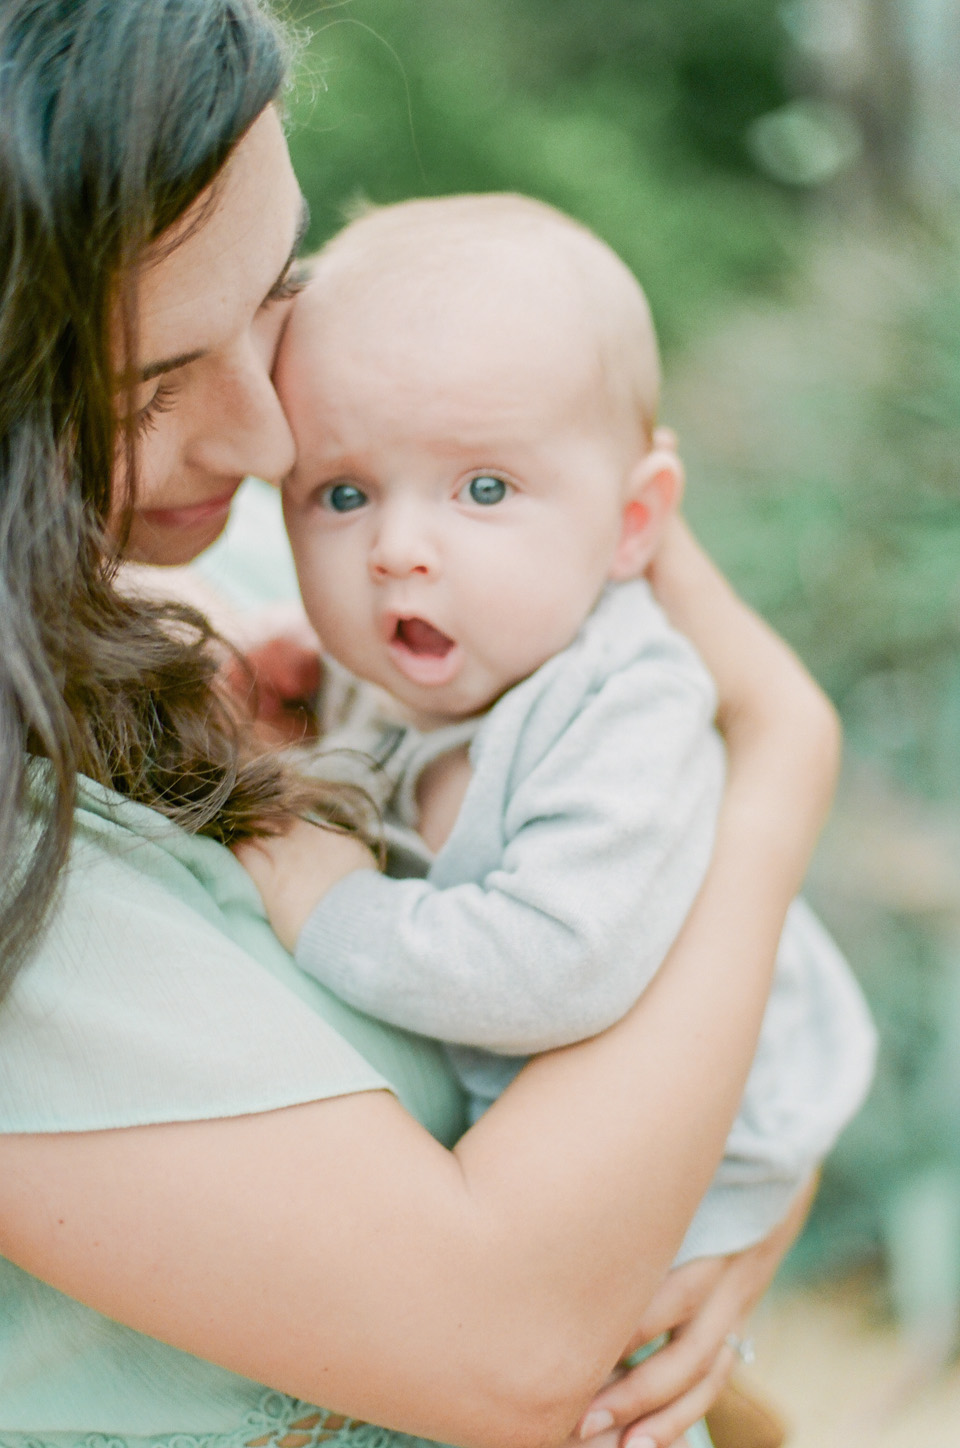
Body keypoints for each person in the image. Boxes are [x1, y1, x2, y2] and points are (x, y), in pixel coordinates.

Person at [0, 4, 843, 1448]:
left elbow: (614, 538)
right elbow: (513, 1349)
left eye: (276, 295)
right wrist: (778, 763)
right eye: (148, 389)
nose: (277, 443)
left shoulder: (254, 555)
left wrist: (743, 1173)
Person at [238, 194, 875, 1269]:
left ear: (634, 523)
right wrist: (306, 649)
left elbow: (547, 968)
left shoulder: (626, 705)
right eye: (342, 495)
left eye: (484, 488)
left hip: (696, 1177)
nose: (397, 548)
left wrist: (327, 906)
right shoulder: (425, 655)